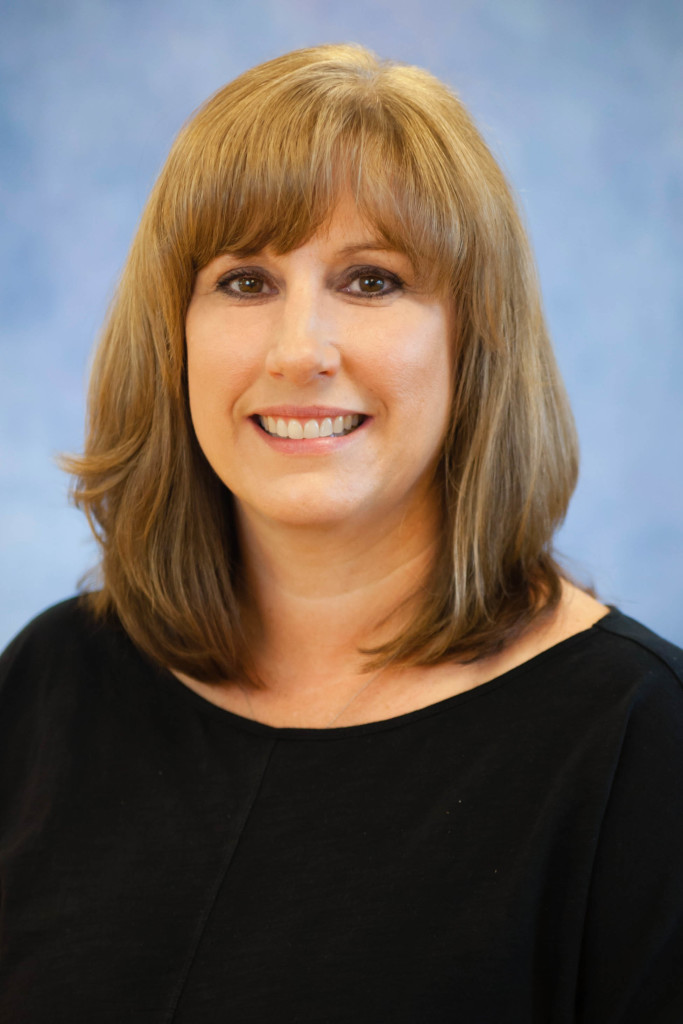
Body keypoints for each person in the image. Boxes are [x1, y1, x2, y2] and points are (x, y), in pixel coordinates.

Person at [0, 43, 681, 1023]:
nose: (298, 352)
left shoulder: (637, 742)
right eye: (245, 281)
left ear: (472, 339)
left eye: (370, 281)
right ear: (173, 334)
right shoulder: (53, 682)